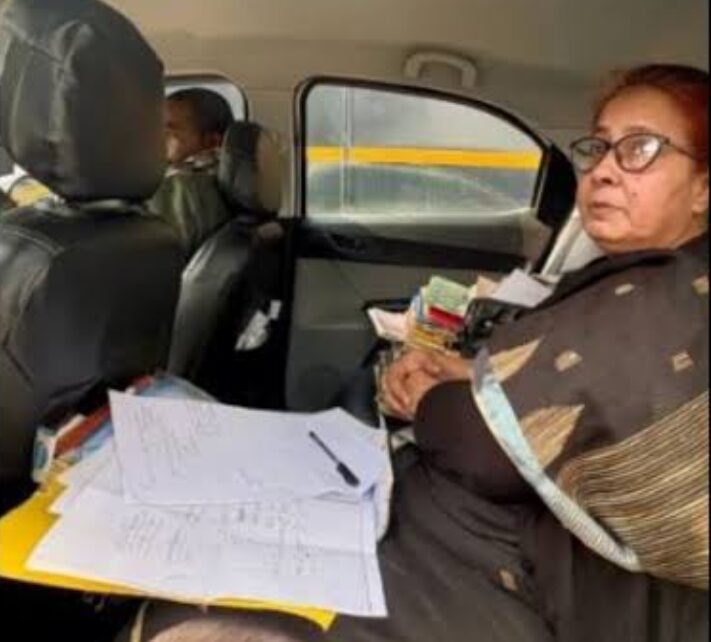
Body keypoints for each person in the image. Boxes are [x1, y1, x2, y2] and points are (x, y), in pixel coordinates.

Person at [119, 63, 708, 642]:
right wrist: (476, 374)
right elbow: (572, 393)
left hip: (516, 574)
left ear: (705, 186)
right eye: (599, 148)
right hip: (463, 532)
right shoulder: (634, 277)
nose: (603, 171)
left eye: (640, 149)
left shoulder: (678, 300)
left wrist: (433, 397)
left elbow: (485, 451)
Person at [148, 88, 235, 258]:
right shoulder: (230, 183)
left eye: (167, 132)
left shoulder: (181, 186)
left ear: (211, 142)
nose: (155, 140)